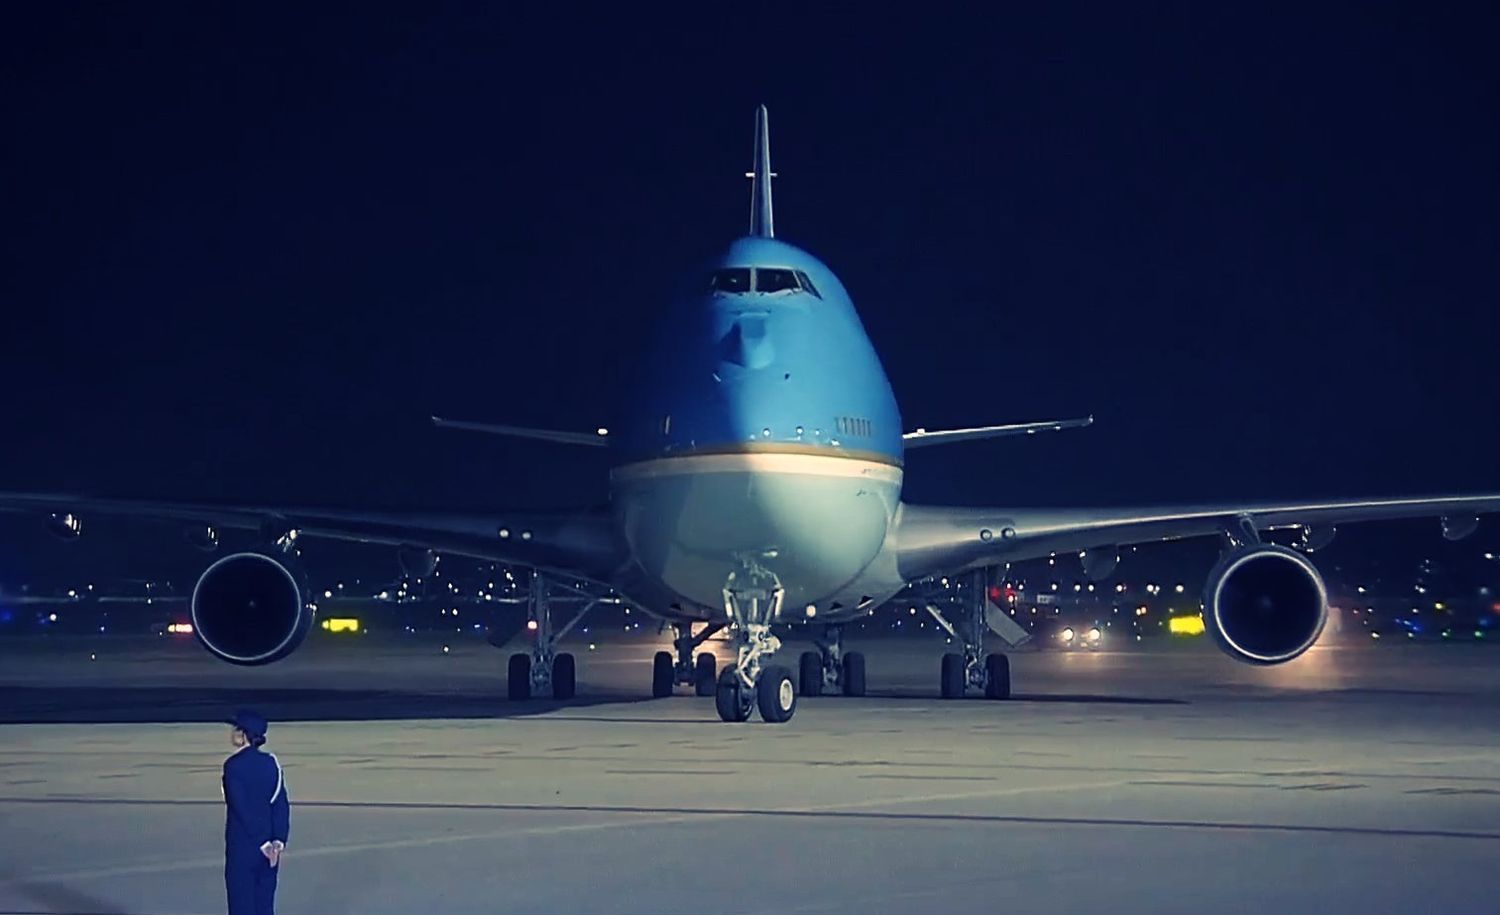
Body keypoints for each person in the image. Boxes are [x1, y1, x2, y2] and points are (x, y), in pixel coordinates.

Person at [222, 709, 290, 915]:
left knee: (241, 905)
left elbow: (241, 808)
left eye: (236, 729)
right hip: (270, 850)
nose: (232, 733)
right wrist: (278, 841)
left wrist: (262, 843)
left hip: (244, 847)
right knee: (264, 906)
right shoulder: (272, 763)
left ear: (244, 735)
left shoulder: (233, 766)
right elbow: (280, 804)